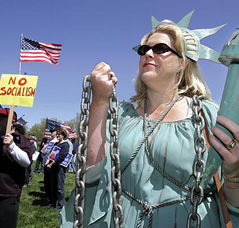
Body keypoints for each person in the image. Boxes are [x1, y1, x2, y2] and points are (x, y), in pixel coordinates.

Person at [60, 12, 239, 227]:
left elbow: (231, 197)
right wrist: (99, 101)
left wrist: (234, 174)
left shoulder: (209, 115)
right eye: (144, 50)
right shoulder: (122, 114)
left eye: (160, 49)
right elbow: (92, 172)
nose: (148, 54)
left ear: (182, 62)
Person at [0, 108, 32, 228]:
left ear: (11, 122)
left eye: (1, 119)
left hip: (8, 192)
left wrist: (12, 146)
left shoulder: (20, 140)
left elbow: (26, 162)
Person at [45, 127, 69, 210]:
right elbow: (52, 154)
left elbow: (61, 157)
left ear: (63, 135)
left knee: (59, 187)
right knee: (53, 186)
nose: (58, 135)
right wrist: (48, 161)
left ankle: (60, 205)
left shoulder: (65, 145)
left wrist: (51, 164)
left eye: (59, 134)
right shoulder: (56, 144)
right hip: (53, 168)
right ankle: (52, 202)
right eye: (57, 134)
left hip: (60, 168)